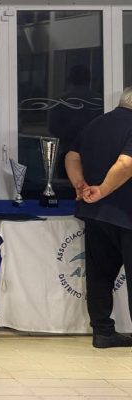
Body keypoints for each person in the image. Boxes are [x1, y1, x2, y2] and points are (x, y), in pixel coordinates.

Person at [64, 86, 132, 349]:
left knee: (100, 275)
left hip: (95, 214)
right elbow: (126, 163)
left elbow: (72, 156)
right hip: (126, 213)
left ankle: (103, 332)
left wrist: (80, 184)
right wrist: (102, 190)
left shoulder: (97, 123)